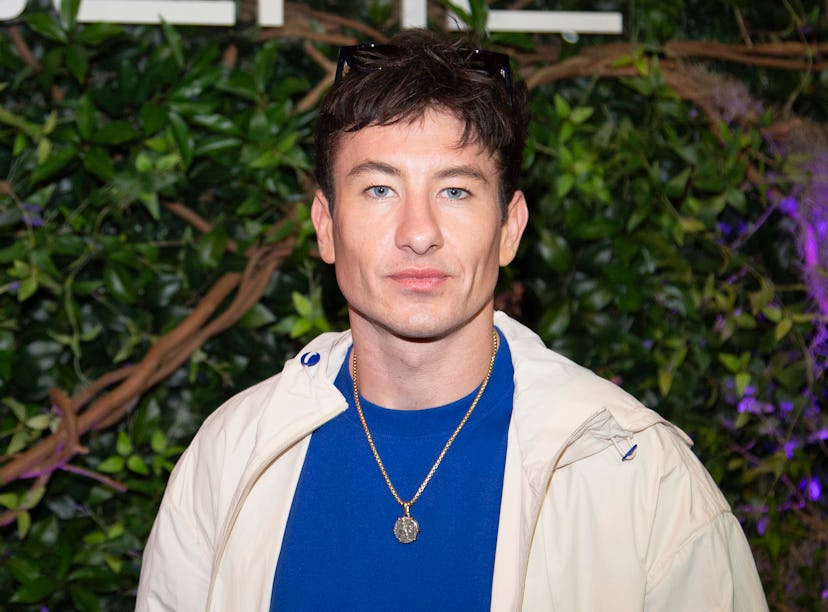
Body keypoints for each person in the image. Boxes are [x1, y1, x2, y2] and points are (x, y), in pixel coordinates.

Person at [136, 29, 768, 611]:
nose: (419, 234)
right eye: (379, 189)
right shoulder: (233, 457)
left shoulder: (636, 474)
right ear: (326, 226)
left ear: (510, 228)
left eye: (456, 191)